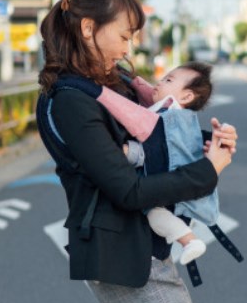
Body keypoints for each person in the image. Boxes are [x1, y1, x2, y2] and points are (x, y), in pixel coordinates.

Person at [36, 0, 238, 303]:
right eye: (123, 35)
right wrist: (206, 173)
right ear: (88, 28)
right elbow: (126, 189)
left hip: (139, 251)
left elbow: (157, 142)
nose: (129, 47)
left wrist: (200, 149)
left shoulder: (113, 83)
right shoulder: (70, 100)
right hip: (125, 258)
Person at [93, 61, 219, 266]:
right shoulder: (178, 116)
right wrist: (129, 78)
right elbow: (146, 91)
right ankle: (187, 238)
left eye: (168, 80)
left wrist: (126, 151)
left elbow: (152, 150)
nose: (160, 82)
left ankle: (189, 240)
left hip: (170, 196)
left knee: (153, 214)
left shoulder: (169, 120)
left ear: (187, 96)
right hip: (178, 189)